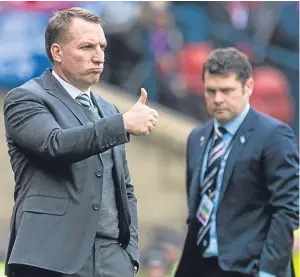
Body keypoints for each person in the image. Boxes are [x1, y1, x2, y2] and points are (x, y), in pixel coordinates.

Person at [3, 7, 159, 277]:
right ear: (57, 52)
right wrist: (122, 123)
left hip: (113, 261)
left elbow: (126, 189)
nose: (98, 56)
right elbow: (55, 144)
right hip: (49, 259)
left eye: (102, 46)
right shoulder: (26, 98)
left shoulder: (108, 109)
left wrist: (130, 253)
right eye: (87, 47)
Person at [175, 48, 299, 277]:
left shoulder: (274, 136)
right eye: (211, 91)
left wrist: (268, 271)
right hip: (201, 266)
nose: (218, 99)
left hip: (249, 269)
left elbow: (287, 210)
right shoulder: (197, 138)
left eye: (227, 90)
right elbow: (197, 211)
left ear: (248, 87)